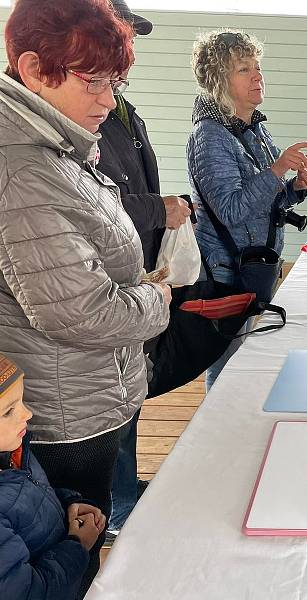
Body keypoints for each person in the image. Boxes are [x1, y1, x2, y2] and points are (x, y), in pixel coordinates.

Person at [0, 0, 171, 592]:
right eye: (92, 81)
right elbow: (81, 311)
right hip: (61, 410)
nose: (108, 99)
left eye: (116, 82)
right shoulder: (24, 168)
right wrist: (157, 300)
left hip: (85, 387)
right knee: (70, 556)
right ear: (31, 67)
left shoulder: (54, 145)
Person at [97, 0, 192, 541]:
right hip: (104, 286)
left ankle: (125, 492)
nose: (128, 54)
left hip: (135, 274)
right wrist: (159, 209)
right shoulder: (75, 119)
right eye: (118, 39)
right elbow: (95, 202)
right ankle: (112, 510)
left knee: (129, 392)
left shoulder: (121, 109)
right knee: (109, 400)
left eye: (131, 40)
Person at [187, 30, 307, 391]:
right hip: (229, 269)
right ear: (218, 80)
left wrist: (293, 189)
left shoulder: (252, 128)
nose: (258, 76)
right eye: (244, 69)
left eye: (257, 67)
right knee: (228, 362)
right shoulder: (210, 136)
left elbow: (264, 202)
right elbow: (230, 210)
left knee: (247, 354)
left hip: (256, 263)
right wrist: (276, 171)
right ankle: (218, 433)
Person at [0, 354, 105, 600]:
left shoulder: (11, 452)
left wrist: (67, 504)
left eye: (22, 401)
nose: (27, 413)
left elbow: (26, 495)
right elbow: (28, 593)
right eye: (8, 411)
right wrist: (77, 545)